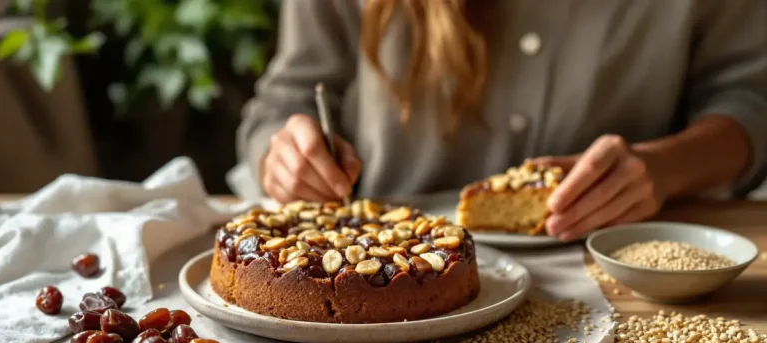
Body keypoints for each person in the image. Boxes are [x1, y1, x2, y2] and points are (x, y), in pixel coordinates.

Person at [228, 0, 767, 241]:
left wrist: (664, 167)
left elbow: (750, 102)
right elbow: (286, 100)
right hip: (380, 257)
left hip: (619, 257)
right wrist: (285, 155)